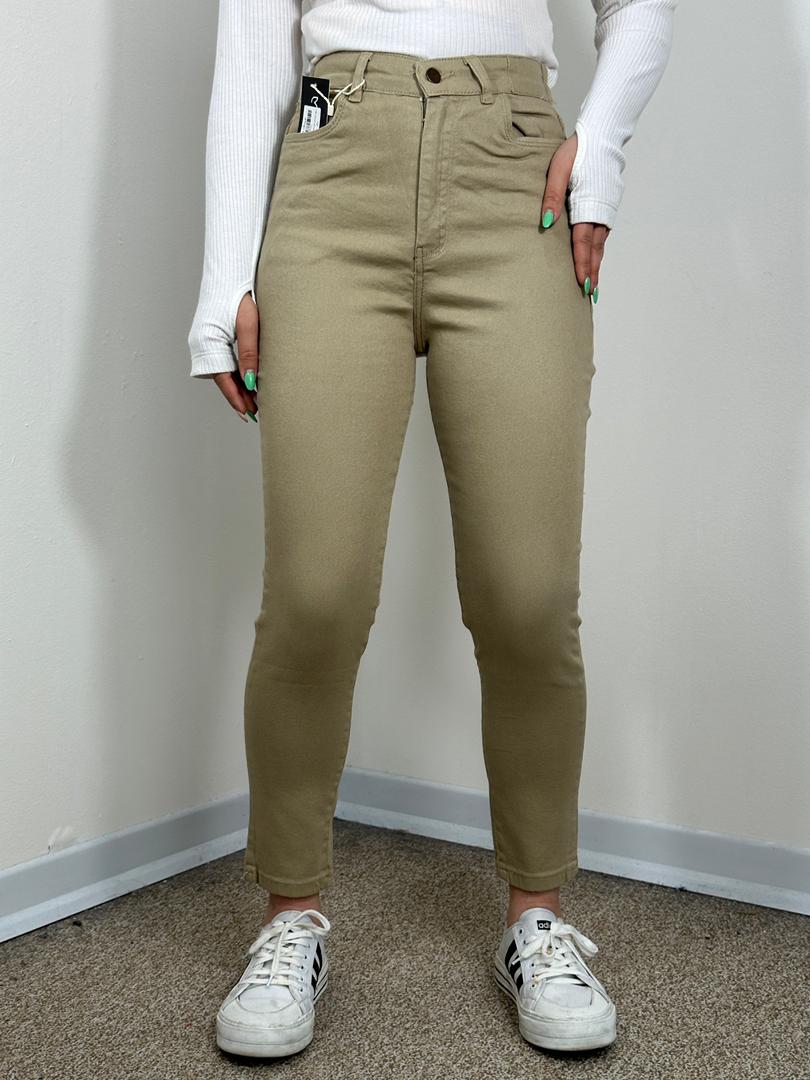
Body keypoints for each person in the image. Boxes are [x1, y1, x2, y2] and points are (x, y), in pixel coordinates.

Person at [187, 0, 675, 1060]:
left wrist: (600, 152)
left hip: (515, 182)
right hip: (333, 176)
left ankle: (537, 918)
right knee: (315, 590)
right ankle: (289, 917)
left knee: (528, 592)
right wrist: (226, 278)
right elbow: (252, 48)